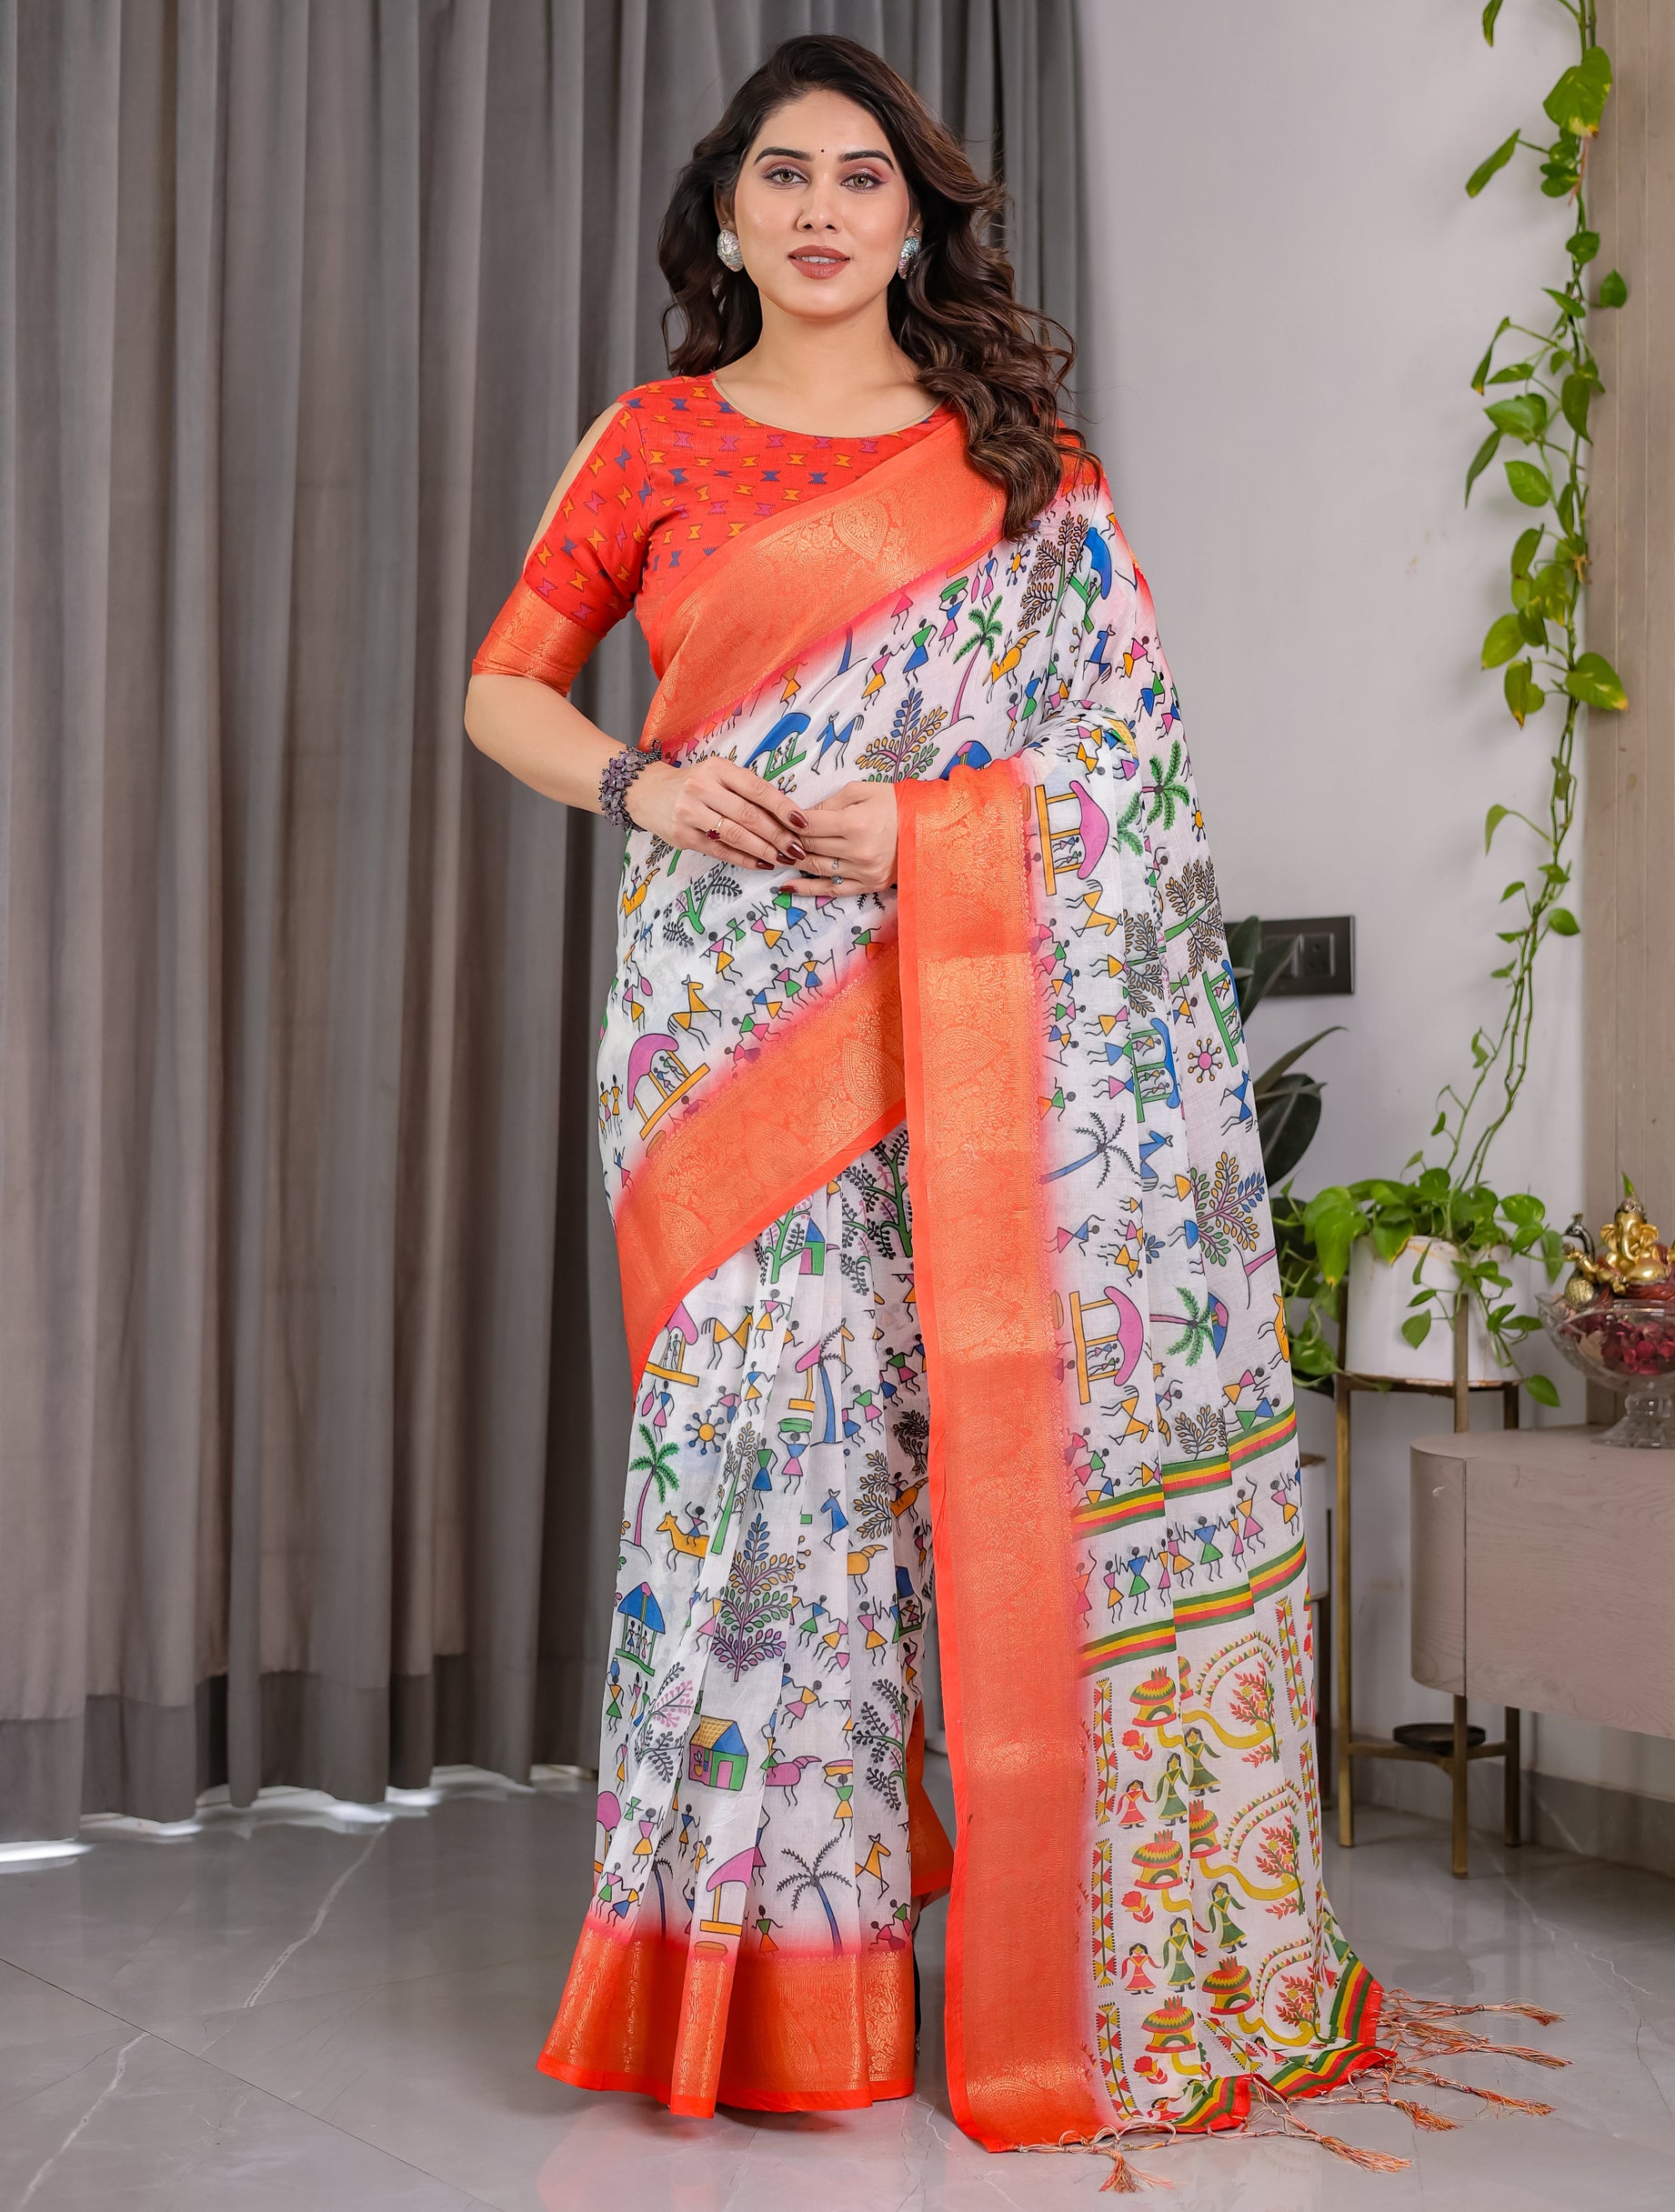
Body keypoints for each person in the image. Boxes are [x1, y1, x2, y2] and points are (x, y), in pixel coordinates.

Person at [466, 30, 1383, 2159]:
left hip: (952, 1014)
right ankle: (740, 1977)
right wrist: (640, 781)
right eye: (779, 173)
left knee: (905, 1465)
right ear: (722, 214)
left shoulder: (1020, 463)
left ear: (915, 217)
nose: (817, 208)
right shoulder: (652, 438)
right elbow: (507, 686)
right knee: (745, 1473)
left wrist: (934, 829)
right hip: (713, 1023)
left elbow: (1133, 776)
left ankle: (900, 1939)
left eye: (859, 176)